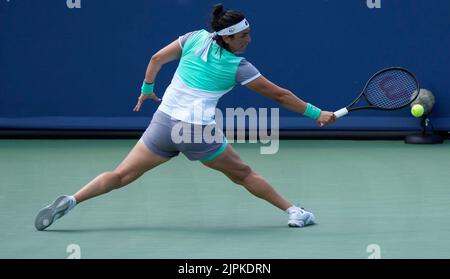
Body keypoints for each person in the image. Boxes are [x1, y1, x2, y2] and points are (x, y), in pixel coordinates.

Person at [34, 4, 336, 231]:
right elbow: (280, 95)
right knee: (243, 174)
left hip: (163, 122)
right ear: (228, 39)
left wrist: (147, 90)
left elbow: (155, 59)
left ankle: (72, 200)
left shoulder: (193, 38)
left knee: (121, 175)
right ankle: (295, 212)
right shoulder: (238, 66)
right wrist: (316, 113)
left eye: (249, 34)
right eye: (243, 36)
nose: (249, 40)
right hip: (195, 131)